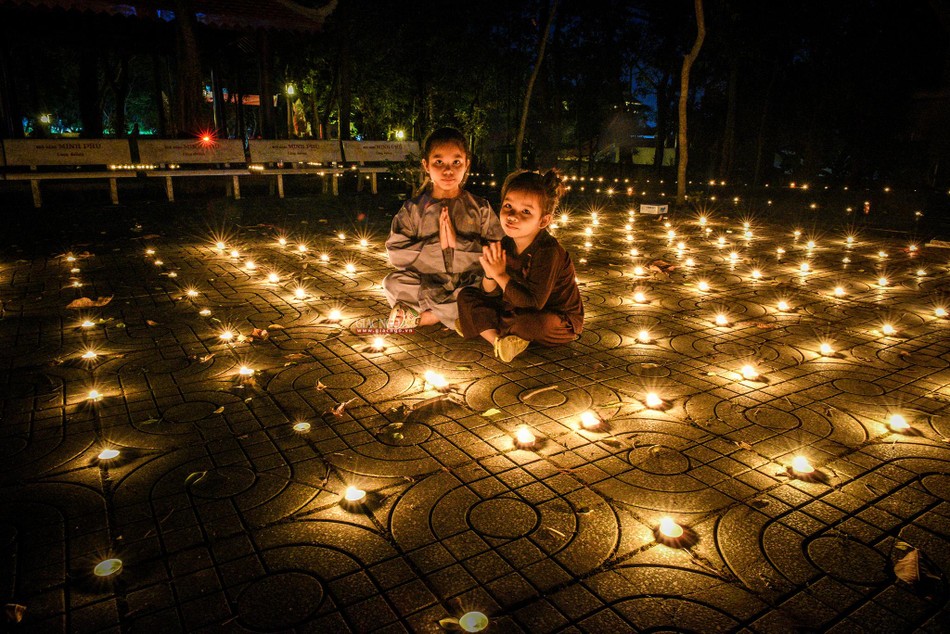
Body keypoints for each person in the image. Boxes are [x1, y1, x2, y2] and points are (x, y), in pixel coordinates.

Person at [457, 169, 583, 362]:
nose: (512, 216)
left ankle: (485, 326)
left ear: (544, 220)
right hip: (515, 306)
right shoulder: (507, 243)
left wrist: (500, 275)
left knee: (528, 323)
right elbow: (490, 293)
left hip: (553, 317)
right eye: (508, 206)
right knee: (466, 296)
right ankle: (498, 341)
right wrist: (491, 274)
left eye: (526, 211)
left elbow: (534, 302)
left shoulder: (548, 251)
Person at [384, 127, 504, 330]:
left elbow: (497, 253)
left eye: (456, 162)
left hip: (468, 282)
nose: (448, 170)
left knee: (490, 286)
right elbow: (396, 255)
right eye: (439, 162)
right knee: (393, 282)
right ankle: (454, 314)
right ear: (426, 165)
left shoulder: (480, 207)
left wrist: (458, 244)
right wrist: (437, 245)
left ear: (467, 164)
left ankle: (430, 316)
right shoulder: (413, 209)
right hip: (428, 281)